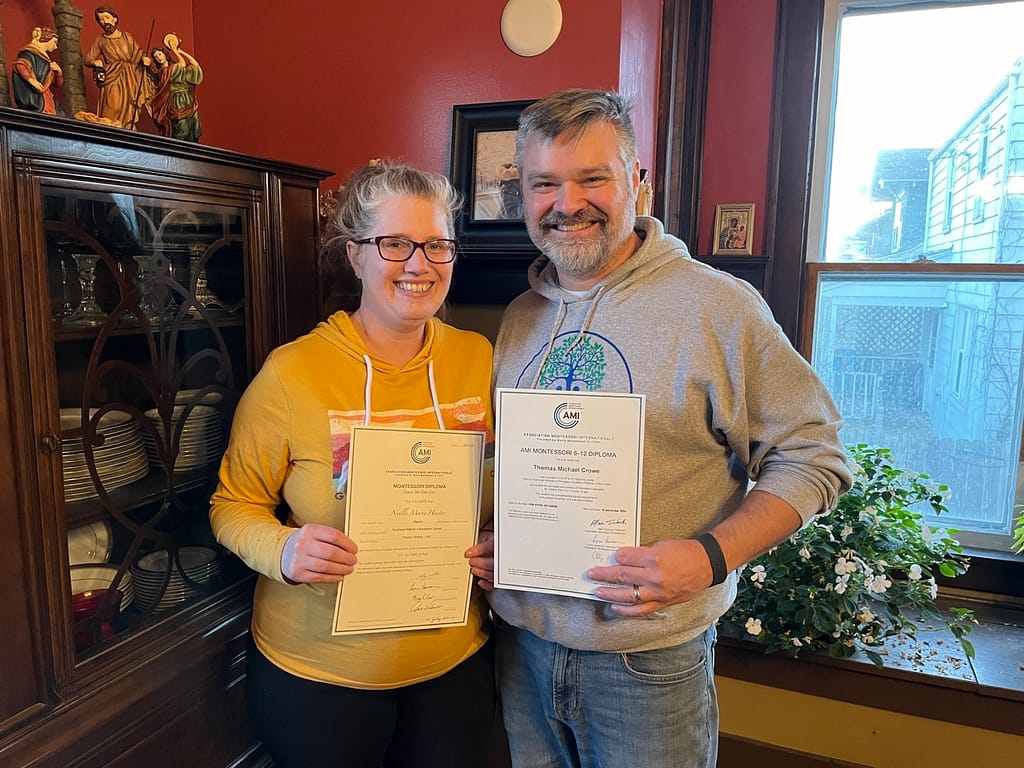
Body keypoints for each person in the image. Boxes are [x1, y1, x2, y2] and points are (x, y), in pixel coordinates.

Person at [465, 88, 852, 768]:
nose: (567, 203)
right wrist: (507, 537)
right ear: (522, 194)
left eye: (593, 178)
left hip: (646, 667)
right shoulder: (522, 316)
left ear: (639, 184)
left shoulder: (716, 307)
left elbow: (814, 456)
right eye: (544, 184)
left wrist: (708, 557)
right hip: (520, 650)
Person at [210, 162, 497, 768]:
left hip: (454, 665)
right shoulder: (294, 372)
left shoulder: (480, 359)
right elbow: (232, 505)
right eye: (394, 243)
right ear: (356, 255)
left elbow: (501, 489)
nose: (419, 264)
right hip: (319, 677)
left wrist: (500, 541)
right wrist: (285, 551)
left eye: (438, 245)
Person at [86, 6, 151, 129]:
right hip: (112, 76)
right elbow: (88, 58)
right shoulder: (100, 40)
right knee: (112, 105)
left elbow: (137, 53)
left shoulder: (127, 37)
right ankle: (109, 129)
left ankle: (126, 128)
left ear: (115, 19)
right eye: (101, 20)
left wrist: (144, 59)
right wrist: (95, 62)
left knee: (129, 106)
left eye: (107, 17)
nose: (104, 21)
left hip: (129, 76)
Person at [148, 33, 203, 142]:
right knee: (181, 129)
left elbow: (195, 66)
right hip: (176, 102)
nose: (158, 58)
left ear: (165, 54)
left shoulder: (175, 67)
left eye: (160, 54)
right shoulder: (164, 72)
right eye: (155, 57)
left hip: (188, 99)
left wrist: (179, 50)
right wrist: (174, 49)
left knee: (192, 128)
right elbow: (181, 64)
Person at [11, 27, 63, 114]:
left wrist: (59, 73)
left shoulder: (46, 59)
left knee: (60, 115)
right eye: (54, 42)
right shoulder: (29, 53)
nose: (55, 47)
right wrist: (31, 80)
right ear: (47, 39)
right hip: (34, 95)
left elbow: (57, 84)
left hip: (45, 94)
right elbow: (20, 65)